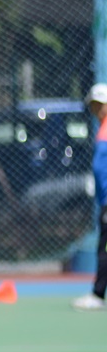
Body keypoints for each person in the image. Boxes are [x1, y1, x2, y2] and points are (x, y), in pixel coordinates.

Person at [74, 84, 107, 310]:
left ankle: (97, 294)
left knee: (104, 248)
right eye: (93, 106)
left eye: (100, 104)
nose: (96, 110)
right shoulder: (102, 128)